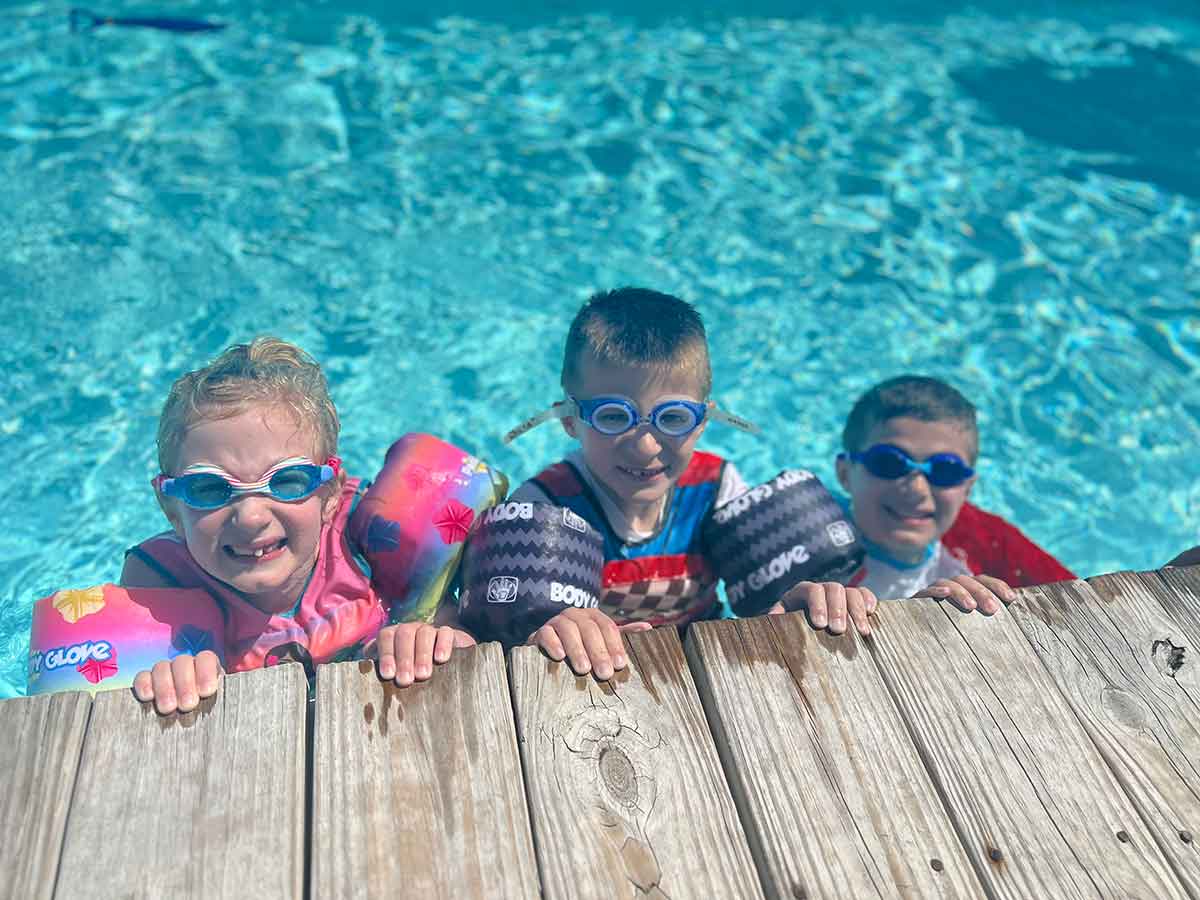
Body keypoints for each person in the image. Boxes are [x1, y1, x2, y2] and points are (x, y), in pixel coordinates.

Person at [503, 287, 875, 679]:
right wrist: (544, 632)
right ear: (569, 420)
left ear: (702, 421)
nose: (645, 447)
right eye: (613, 417)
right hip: (595, 681)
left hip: (707, 669)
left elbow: (769, 607)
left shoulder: (717, 487)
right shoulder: (543, 509)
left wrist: (799, 597)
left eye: (673, 418)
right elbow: (510, 641)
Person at [120, 338, 477, 713]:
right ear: (171, 509)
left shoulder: (366, 539)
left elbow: (465, 642)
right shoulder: (160, 582)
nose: (251, 516)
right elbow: (124, 694)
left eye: (287, 481)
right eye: (209, 488)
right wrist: (162, 675)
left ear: (330, 494)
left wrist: (424, 640)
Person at [821, 375, 1074, 612]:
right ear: (845, 474)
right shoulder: (808, 543)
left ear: (967, 488)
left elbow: (1074, 599)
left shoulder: (980, 534)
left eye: (945, 470)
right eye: (889, 463)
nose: (917, 489)